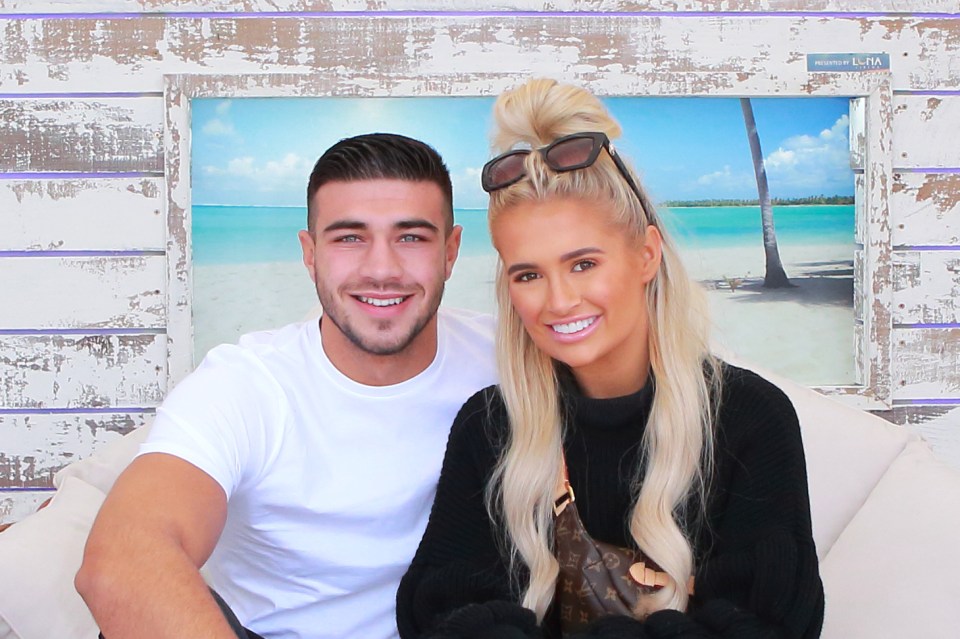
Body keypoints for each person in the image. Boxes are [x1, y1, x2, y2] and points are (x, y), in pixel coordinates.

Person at [397, 79, 824, 638]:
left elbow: (771, 626)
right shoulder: (490, 428)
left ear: (646, 254)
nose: (559, 301)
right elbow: (439, 616)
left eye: (583, 264)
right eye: (528, 275)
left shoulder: (749, 419)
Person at [76, 133, 498, 639]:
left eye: (411, 237)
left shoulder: (505, 359)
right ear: (310, 253)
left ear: (450, 251)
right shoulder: (246, 383)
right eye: (349, 237)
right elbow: (122, 562)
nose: (382, 269)